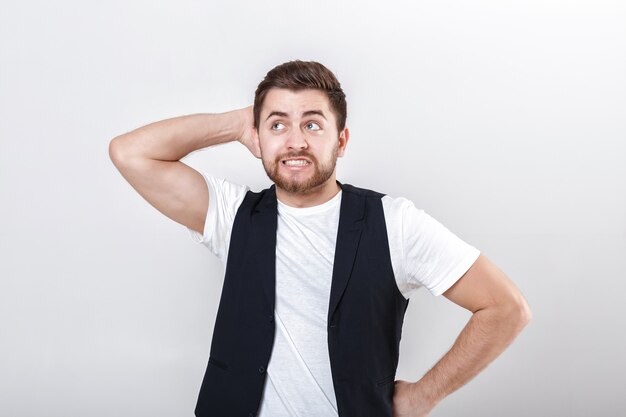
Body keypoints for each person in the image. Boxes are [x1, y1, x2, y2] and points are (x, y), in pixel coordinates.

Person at [109, 60, 531, 417]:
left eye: (312, 124)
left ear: (341, 140)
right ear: (258, 138)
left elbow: (505, 307)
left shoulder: (395, 223)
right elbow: (129, 153)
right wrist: (238, 123)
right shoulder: (231, 215)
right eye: (278, 125)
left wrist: (424, 396)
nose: (295, 142)